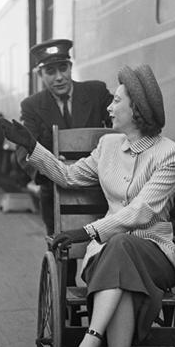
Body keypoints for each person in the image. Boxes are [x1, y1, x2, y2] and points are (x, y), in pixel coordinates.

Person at [0, 64, 175, 347]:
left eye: (117, 101)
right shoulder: (108, 146)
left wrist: (86, 232)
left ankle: (90, 341)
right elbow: (69, 176)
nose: (109, 107)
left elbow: (139, 213)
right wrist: (32, 147)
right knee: (121, 273)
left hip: (154, 252)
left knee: (121, 246)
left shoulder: (170, 154)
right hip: (113, 258)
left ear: (137, 110)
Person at [16, 38, 113, 235]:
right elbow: (24, 149)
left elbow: (120, 128)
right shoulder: (31, 106)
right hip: (55, 195)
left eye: (63, 68)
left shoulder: (97, 92)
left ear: (70, 67)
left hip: (98, 190)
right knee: (60, 245)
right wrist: (47, 167)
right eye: (50, 72)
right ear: (40, 75)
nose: (59, 77)